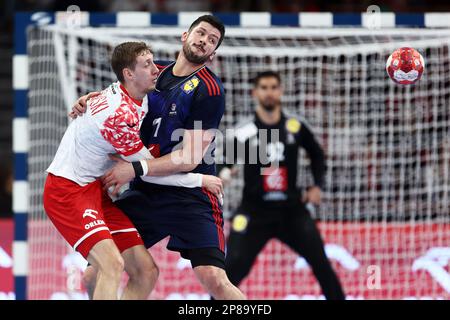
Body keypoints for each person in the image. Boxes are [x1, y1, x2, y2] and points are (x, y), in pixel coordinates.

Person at [74, 15, 245, 300]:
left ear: (212, 54)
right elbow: (117, 99)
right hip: (146, 192)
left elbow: (189, 157)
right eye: (200, 33)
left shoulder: (210, 90)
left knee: (214, 279)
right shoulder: (155, 71)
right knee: (94, 273)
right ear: (184, 36)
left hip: (190, 195)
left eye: (212, 40)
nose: (204, 40)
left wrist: (134, 169)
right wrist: (91, 100)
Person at [45, 41, 222, 300]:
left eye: (153, 62)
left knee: (146, 272)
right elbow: (147, 169)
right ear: (129, 74)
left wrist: (85, 99)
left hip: (96, 192)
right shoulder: (120, 118)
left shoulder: (133, 92)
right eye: (147, 64)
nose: (155, 69)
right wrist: (199, 179)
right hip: (68, 190)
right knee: (112, 265)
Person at [219, 70, 346, 300]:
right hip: (254, 212)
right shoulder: (245, 131)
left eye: (274, 87)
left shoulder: (294, 126)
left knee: (321, 263)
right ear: (255, 93)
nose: (269, 93)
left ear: (281, 91)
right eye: (264, 88)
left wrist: (317, 185)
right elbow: (223, 164)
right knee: (233, 267)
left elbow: (317, 154)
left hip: (292, 211)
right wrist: (225, 173)